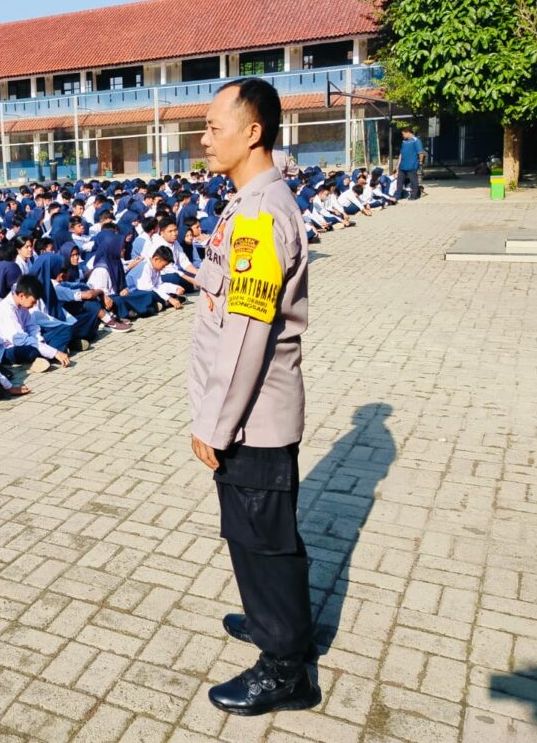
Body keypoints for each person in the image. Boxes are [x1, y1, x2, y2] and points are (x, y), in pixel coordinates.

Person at [189, 78, 317, 715]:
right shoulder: (255, 202)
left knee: (262, 537)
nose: (203, 138)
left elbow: (245, 334)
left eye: (214, 126)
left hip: (252, 417)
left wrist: (215, 425)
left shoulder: (259, 215)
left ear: (252, 132)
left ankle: (285, 665)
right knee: (260, 531)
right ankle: (278, 619)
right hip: (258, 410)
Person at [397, 128, 425, 200]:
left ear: (408, 132)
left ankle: (414, 195)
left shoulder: (416, 141)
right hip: (402, 165)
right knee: (399, 181)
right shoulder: (404, 142)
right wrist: (398, 164)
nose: (402, 135)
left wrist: (420, 162)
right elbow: (401, 153)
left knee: (413, 181)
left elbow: (420, 153)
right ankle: (398, 195)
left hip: (412, 165)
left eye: (403, 134)